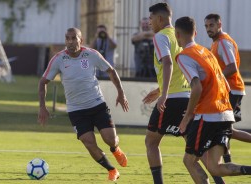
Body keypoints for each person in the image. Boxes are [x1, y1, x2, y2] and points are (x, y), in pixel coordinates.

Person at [38, 28, 129, 182]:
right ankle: (112, 170)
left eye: (74, 38)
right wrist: (42, 106)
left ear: (81, 39)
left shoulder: (92, 55)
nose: (70, 42)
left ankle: (115, 149)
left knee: (110, 139)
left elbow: (111, 71)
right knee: (88, 142)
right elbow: (43, 82)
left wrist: (121, 93)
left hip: (97, 104)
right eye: (67, 38)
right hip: (76, 110)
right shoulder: (58, 59)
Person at [175, 16, 251, 183]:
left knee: (189, 160)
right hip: (225, 113)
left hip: (208, 115)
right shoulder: (207, 52)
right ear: (195, 32)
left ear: (177, 34)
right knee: (215, 167)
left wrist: (187, 117)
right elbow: (224, 83)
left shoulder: (184, 56)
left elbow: (196, 87)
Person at [143, 3, 191, 184]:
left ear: (160, 19)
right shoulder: (178, 36)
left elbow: (168, 63)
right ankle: (218, 178)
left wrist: (163, 94)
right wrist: (159, 90)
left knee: (151, 142)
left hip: (171, 98)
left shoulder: (161, 36)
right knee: (195, 147)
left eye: (151, 18)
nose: (149, 22)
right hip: (187, 97)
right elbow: (180, 67)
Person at [204, 13, 251, 164]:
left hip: (231, 90)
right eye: (206, 26)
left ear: (219, 25)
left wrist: (215, 79)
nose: (208, 29)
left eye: (211, 25)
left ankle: (227, 162)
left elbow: (232, 67)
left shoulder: (223, 42)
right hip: (228, 90)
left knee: (226, 130)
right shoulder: (217, 42)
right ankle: (227, 162)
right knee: (226, 130)